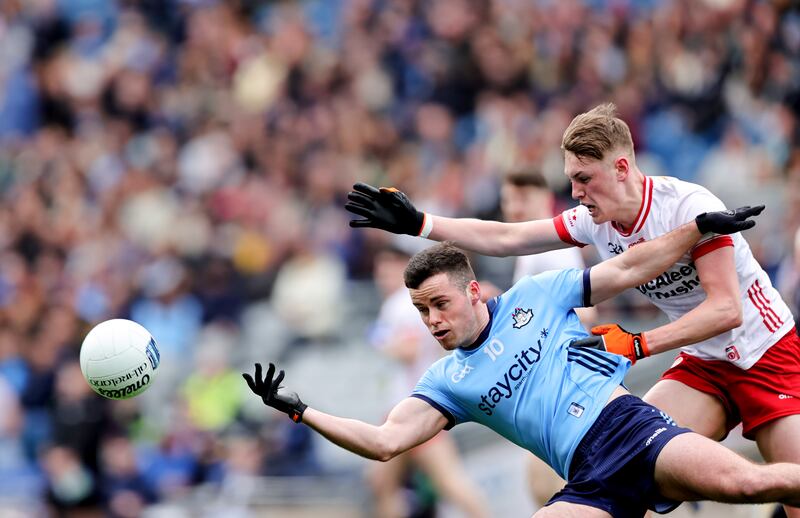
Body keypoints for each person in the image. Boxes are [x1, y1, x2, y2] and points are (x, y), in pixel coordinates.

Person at [345, 103, 800, 517]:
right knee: (631, 472)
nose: (576, 192)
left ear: (621, 167)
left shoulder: (689, 207)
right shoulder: (592, 221)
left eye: (585, 179)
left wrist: (638, 344)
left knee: (782, 491)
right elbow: (506, 238)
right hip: (704, 365)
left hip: (767, 353)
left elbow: (726, 311)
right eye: (571, 180)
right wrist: (420, 223)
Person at [245, 207, 800, 518]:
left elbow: (628, 270)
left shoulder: (537, 295)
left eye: (440, 304)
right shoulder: (446, 382)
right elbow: (385, 442)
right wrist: (301, 411)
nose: (432, 319)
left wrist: (696, 229)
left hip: (631, 433)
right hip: (587, 480)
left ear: (475, 293)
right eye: (421, 310)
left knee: (748, 486)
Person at [368, 245, 490, 518]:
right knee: (382, 484)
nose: (381, 275)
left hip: (415, 406)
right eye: (379, 268)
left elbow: (409, 350)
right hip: (401, 406)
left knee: (450, 483)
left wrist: (380, 341)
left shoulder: (402, 303)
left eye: (388, 267)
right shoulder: (404, 302)